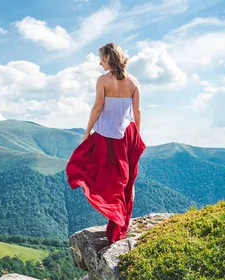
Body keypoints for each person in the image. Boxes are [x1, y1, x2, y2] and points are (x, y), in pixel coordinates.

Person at [65, 42, 147, 243]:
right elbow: (137, 112)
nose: (99, 62)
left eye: (101, 58)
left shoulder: (102, 80)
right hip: (128, 134)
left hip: (106, 135)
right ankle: (121, 223)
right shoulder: (134, 82)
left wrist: (87, 131)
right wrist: (137, 134)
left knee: (89, 169)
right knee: (127, 181)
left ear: (109, 58)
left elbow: (97, 108)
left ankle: (114, 215)